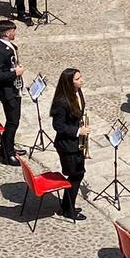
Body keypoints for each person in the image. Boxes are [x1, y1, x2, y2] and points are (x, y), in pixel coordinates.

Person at [50, 68, 90, 221]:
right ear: (69, 82)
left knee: (78, 174)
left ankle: (67, 204)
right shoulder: (61, 102)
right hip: (67, 145)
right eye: (77, 79)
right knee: (76, 175)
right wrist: (78, 131)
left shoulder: (77, 92)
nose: (82, 80)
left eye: (81, 77)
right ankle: (68, 209)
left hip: (76, 143)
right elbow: (58, 126)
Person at [0, 20, 24, 165]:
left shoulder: (9, 46)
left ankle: (7, 146)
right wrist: (15, 73)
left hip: (14, 89)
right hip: (7, 91)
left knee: (14, 121)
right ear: (7, 33)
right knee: (12, 122)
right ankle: (7, 153)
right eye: (13, 31)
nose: (15, 33)